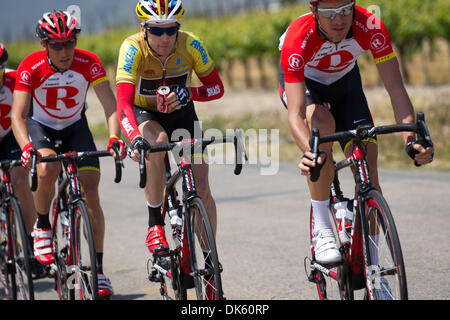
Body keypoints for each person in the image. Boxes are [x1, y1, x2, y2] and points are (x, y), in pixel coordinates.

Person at [278, 0, 433, 266]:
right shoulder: (297, 36)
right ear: (314, 11)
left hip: (346, 84)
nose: (339, 19)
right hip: (307, 85)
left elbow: (396, 89)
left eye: (346, 10)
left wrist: (412, 141)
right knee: (322, 127)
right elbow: (295, 113)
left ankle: (374, 267)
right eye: (328, 13)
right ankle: (323, 228)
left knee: (369, 168)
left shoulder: (370, 26)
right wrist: (309, 151)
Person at [11, 10, 126, 298]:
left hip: (76, 127)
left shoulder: (90, 62)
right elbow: (18, 115)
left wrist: (114, 138)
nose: (65, 51)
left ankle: (98, 271)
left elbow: (110, 105)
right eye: (57, 45)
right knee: (47, 170)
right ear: (45, 45)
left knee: (91, 194)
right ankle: (43, 225)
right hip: (42, 127)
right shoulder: (30, 66)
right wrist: (27, 148)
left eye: (69, 43)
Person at [116, 0, 225, 298]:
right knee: (158, 143)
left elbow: (217, 87)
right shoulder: (132, 47)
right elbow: (123, 103)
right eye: (157, 31)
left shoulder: (190, 45)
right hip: (145, 115)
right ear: (144, 29)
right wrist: (133, 137)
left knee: (202, 188)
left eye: (171, 30)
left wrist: (188, 92)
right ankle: (155, 222)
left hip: (183, 115)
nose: (165, 38)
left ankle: (210, 265)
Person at [0, 43, 47, 278]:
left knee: (20, 180)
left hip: (9, 136)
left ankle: (30, 248)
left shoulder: (15, 79)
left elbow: (35, 105)